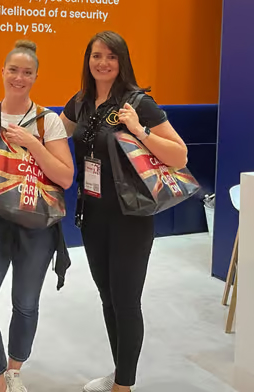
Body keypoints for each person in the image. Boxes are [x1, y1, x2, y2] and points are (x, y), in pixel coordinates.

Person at [60, 31, 188, 392]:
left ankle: (123, 386)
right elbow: (50, 137)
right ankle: (120, 376)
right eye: (96, 56)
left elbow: (179, 155)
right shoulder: (80, 103)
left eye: (111, 56)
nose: (103, 63)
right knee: (108, 298)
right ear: (88, 60)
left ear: (122, 61)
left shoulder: (138, 103)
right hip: (92, 214)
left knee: (126, 300)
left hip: (131, 216)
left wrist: (139, 130)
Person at [0, 40, 75, 392]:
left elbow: (66, 177)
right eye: (13, 70)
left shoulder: (48, 121)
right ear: (2, 71)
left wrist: (34, 144)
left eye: (27, 72)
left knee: (25, 304)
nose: (19, 78)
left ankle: (14, 371)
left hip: (36, 222)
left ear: (36, 77)